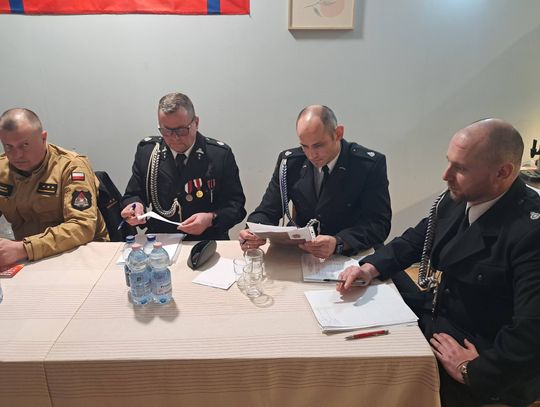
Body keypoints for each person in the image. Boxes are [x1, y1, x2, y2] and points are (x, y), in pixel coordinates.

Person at [338, 119, 540, 407]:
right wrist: (369, 269)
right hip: (439, 314)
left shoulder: (530, 231)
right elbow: (417, 239)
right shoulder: (461, 197)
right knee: (356, 338)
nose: (446, 175)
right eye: (449, 162)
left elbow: (532, 331)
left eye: (461, 168)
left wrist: (475, 371)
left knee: (376, 385)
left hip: (478, 350)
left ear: (503, 172)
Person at [239, 105, 391, 258]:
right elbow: (268, 210)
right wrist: (253, 231)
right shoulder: (290, 162)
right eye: (304, 146)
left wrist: (339, 242)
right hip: (303, 253)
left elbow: (379, 224)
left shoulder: (367, 165)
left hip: (350, 254)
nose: (311, 155)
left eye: (318, 145)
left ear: (338, 133)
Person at [120, 92, 246, 240]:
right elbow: (133, 194)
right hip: (162, 239)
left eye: (181, 130)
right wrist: (135, 206)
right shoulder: (148, 152)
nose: (174, 137)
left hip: (207, 239)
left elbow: (236, 207)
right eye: (166, 131)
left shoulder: (218, 155)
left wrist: (211, 218)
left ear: (196, 123)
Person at [0, 108, 108, 266]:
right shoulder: (2, 169)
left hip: (80, 255)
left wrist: (25, 248)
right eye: (9, 147)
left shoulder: (71, 167)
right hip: (28, 258)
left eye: (24, 145)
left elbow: (82, 227)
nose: (17, 155)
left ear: (43, 138)